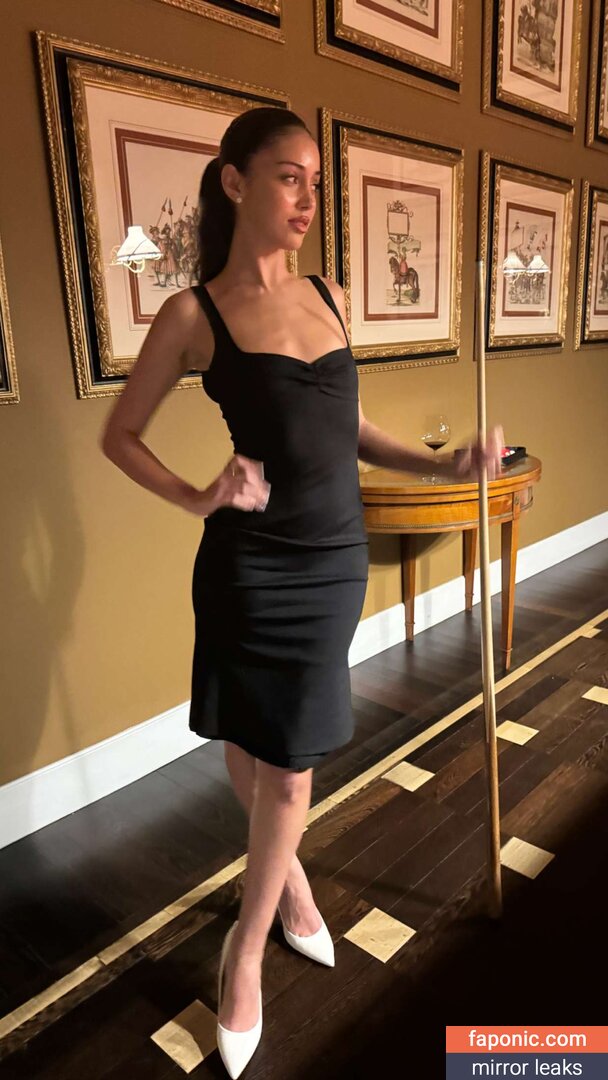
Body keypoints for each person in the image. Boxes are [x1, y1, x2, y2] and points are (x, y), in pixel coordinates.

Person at [101, 106, 502, 1078]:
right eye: (290, 177)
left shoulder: (329, 294)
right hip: (246, 567)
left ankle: (243, 950)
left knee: (289, 768)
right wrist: (200, 496)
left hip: (328, 565)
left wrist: (443, 465)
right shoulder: (193, 315)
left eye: (315, 182)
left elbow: (348, 426)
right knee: (250, 742)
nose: (308, 199)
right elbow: (120, 435)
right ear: (235, 182)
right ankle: (285, 893)